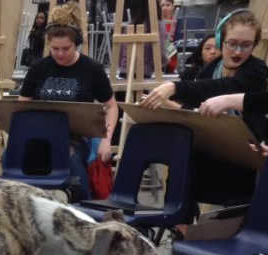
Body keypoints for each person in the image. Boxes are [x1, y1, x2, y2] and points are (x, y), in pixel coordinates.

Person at [140, 9, 268, 208]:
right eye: (232, 44)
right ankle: (178, 222)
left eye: (246, 45)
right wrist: (169, 105)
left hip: (244, 153)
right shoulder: (210, 68)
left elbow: (225, 87)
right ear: (221, 42)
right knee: (181, 163)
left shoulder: (256, 69)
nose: (237, 52)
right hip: (212, 147)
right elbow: (196, 100)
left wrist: (173, 87)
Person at [18, 4, 119, 200]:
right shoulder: (39, 68)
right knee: (13, 159)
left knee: (72, 162)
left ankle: (76, 201)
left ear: (77, 43)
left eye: (66, 48)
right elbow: (23, 107)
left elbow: (111, 106)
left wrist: (106, 141)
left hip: (77, 139)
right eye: (55, 49)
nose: (60, 54)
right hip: (41, 137)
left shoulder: (91, 69)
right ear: (49, 44)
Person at [160, 0, 177, 73]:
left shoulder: (175, 21)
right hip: (160, 45)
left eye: (167, 5)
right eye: (162, 5)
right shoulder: (157, 21)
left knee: (169, 46)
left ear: (173, 7)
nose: (165, 8)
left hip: (171, 46)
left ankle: (169, 67)